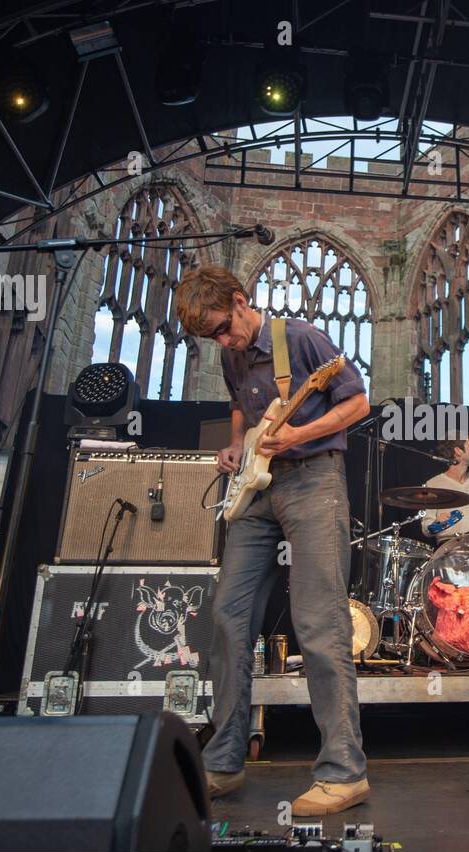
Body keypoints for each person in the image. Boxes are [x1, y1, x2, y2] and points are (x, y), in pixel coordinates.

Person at [176, 264, 372, 816]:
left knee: (318, 620)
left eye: (222, 328)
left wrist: (298, 434)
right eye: (211, 336)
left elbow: (356, 403)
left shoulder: (303, 338)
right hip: (257, 489)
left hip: (313, 478)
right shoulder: (229, 351)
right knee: (228, 614)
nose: (222, 340)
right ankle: (223, 761)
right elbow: (242, 401)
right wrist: (238, 444)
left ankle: (343, 770)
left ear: (240, 301)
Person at [422, 437, 469, 541]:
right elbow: (426, 528)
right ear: (458, 451)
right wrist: (437, 523)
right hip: (447, 547)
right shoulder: (433, 484)